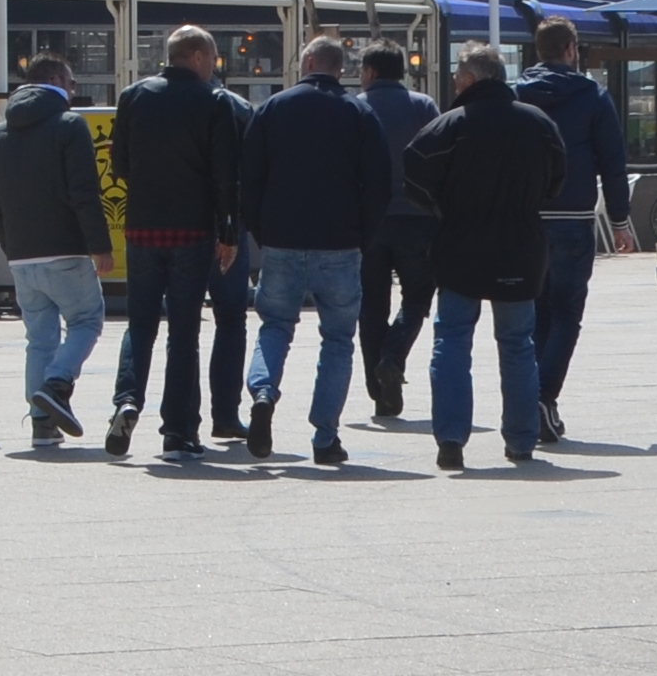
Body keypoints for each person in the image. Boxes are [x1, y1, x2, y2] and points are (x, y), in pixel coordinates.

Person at [236, 37, 399, 463]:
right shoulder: (359, 112)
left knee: (274, 327)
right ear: (339, 69)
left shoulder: (273, 108)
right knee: (339, 339)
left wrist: (262, 229)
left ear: (308, 61)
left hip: (282, 240)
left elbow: (249, 178)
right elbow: (379, 185)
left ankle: (263, 394)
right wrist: (363, 236)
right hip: (340, 243)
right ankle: (325, 436)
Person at [403, 46, 568, 467]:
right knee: (517, 344)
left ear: (471, 80)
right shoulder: (538, 124)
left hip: (461, 245)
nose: (455, 83)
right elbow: (558, 177)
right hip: (521, 246)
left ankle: (452, 440)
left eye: (458, 77)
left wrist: (442, 207)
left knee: (453, 340)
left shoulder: (450, 126)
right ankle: (521, 439)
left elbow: (414, 170)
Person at [106, 27, 254, 458]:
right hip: (192, 231)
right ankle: (178, 430)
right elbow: (226, 175)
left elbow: (120, 163)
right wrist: (228, 234)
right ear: (196, 56)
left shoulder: (133, 96)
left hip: (142, 228)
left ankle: (127, 400)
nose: (214, 67)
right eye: (211, 59)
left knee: (141, 324)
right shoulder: (213, 102)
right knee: (183, 333)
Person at [0, 51, 112, 446]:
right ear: (57, 80)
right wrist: (100, 246)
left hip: (22, 253)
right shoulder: (69, 126)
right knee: (87, 320)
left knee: (39, 338)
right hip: (65, 249)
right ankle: (57, 385)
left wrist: (10, 247)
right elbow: (84, 193)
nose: (73, 93)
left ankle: (42, 423)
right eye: (71, 84)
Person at [513, 20, 637, 427]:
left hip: (528, 218)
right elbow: (613, 163)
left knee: (535, 313)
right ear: (571, 49)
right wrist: (620, 220)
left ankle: (531, 396)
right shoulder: (593, 96)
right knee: (567, 312)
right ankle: (544, 397)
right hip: (574, 218)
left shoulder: (517, 95)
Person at [353, 46, 444, 423]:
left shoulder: (355, 107)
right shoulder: (423, 107)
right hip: (418, 218)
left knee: (371, 305)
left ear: (371, 71)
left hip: (368, 221)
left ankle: (379, 391)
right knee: (417, 298)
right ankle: (393, 357)